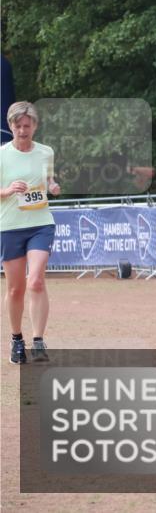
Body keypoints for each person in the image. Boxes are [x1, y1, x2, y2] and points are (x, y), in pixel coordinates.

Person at [1, 102, 60, 364]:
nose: (23, 131)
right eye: (18, 126)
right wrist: (7, 189)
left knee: (35, 280)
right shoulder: (1, 155)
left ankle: (38, 340)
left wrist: (54, 185)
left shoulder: (46, 152)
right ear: (10, 125)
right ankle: (16, 339)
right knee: (15, 289)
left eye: (27, 126)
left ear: (35, 126)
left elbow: (49, 181)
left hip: (40, 223)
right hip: (10, 226)